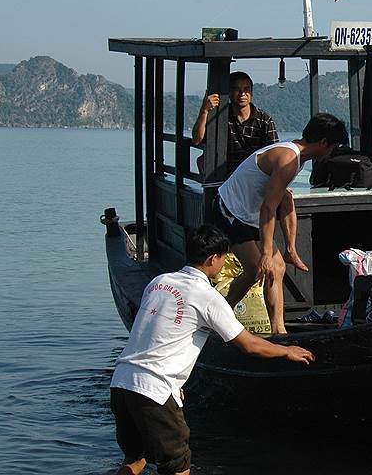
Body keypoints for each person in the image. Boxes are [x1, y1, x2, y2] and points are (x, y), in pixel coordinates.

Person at [109, 224, 315, 475]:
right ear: (211, 259)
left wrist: (176, 383)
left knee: (135, 460)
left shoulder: (159, 282)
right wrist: (286, 351)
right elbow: (248, 345)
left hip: (121, 382)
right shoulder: (206, 295)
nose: (224, 264)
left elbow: (161, 332)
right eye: (224, 258)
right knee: (177, 466)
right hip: (154, 389)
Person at [209, 113, 348, 334]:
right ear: (323, 143)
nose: (332, 152)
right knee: (256, 268)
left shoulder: (297, 157)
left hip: (250, 214)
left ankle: (278, 331)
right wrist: (265, 252)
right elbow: (268, 207)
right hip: (230, 209)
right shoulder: (288, 159)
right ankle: (216, 320)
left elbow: (286, 200)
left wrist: (290, 249)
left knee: (278, 267)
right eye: (333, 146)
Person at [192, 71, 306, 277]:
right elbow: (198, 139)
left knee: (286, 196)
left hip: (258, 181)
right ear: (230, 92)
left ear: (252, 93)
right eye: (236, 89)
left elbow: (276, 152)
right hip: (231, 186)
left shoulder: (263, 120)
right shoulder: (221, 119)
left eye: (246, 90)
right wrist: (204, 111)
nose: (242, 94)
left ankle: (291, 250)